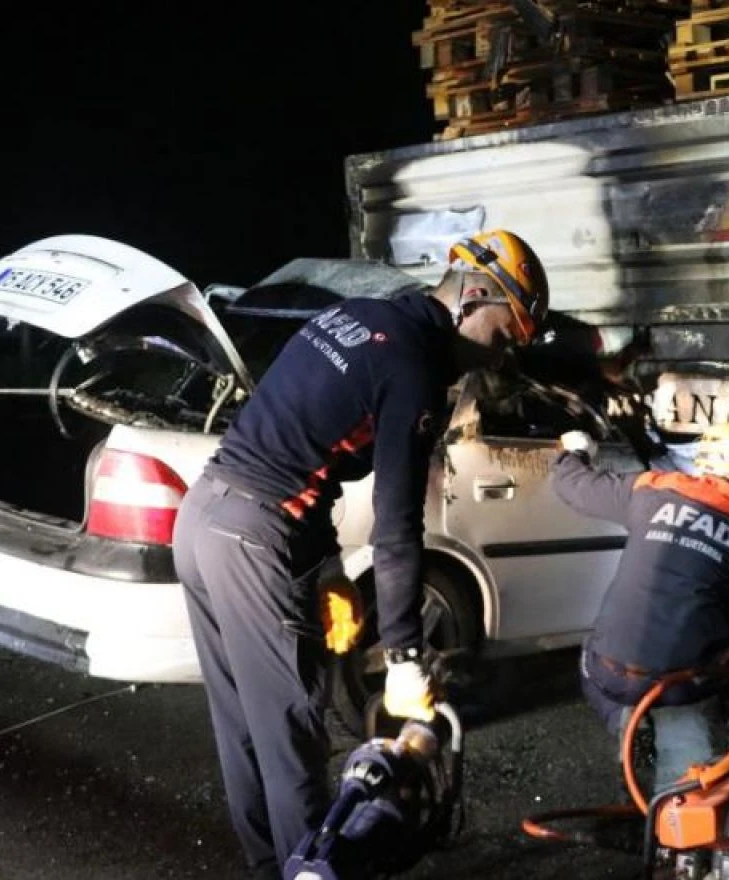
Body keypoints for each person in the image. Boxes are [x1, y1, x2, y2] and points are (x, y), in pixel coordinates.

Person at [172, 229, 549, 877]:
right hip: (256, 533)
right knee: (291, 741)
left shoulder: (359, 316)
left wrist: (324, 568)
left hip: (203, 514)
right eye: (503, 335)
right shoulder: (414, 366)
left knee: (244, 731)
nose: (497, 357)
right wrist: (403, 655)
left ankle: (273, 870)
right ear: (476, 295)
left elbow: (303, 436)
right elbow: (398, 524)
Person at [551, 422, 729, 790]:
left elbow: (574, 487)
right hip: (681, 686)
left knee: (604, 641)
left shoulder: (654, 490)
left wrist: (572, 452)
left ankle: (625, 719)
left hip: (605, 674)